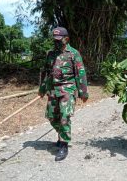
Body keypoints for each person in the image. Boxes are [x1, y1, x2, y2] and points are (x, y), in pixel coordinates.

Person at [38, 27, 89, 161]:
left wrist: (83, 92)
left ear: (66, 39)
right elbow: (47, 73)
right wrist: (42, 89)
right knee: (51, 116)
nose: (57, 42)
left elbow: (80, 73)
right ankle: (62, 134)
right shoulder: (51, 54)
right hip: (53, 89)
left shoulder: (73, 54)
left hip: (68, 89)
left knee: (64, 116)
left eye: (59, 40)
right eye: (55, 40)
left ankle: (63, 144)